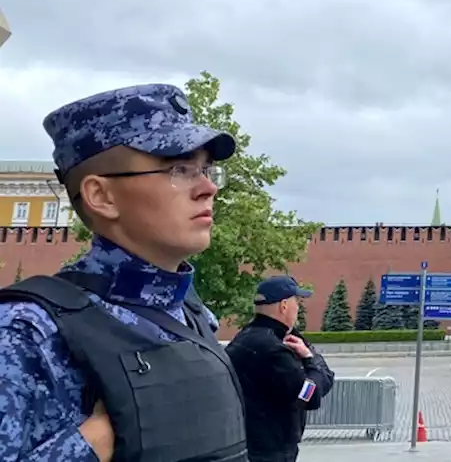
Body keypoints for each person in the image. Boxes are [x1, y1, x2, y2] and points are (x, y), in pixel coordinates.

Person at [0, 83, 247, 462]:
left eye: (206, 169)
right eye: (179, 169)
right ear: (101, 196)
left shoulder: (192, 316)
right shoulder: (28, 333)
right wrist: (89, 446)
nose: (208, 187)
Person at [225, 276, 335, 462]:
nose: (298, 308)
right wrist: (310, 359)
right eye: (296, 303)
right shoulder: (274, 350)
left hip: (247, 444)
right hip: (271, 451)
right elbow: (309, 395)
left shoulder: (245, 337)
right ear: (284, 305)